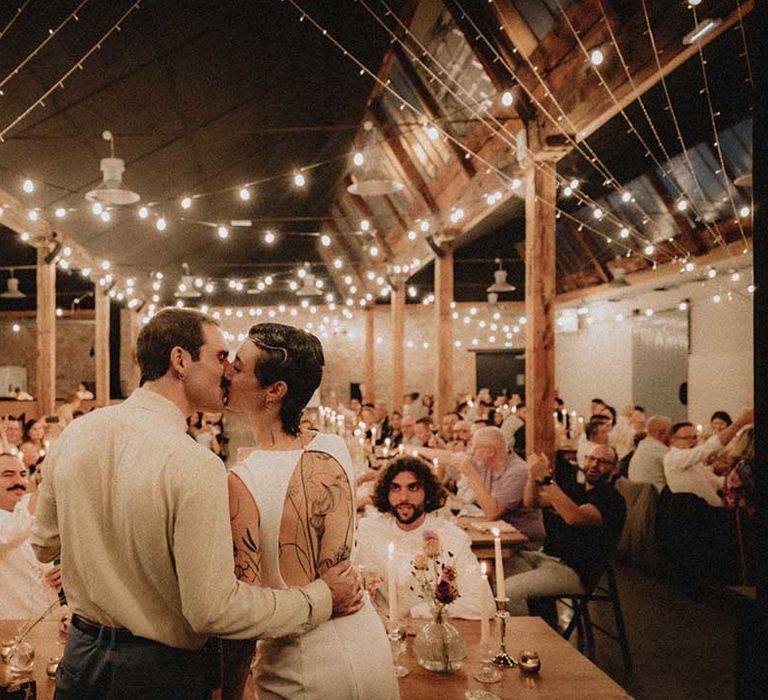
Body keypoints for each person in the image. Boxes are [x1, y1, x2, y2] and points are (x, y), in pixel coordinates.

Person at [31, 308, 362, 699]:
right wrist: (319, 598)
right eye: (221, 357)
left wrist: (102, 547)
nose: (227, 372)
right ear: (180, 361)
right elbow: (213, 610)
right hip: (158, 674)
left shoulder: (76, 434)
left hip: (81, 660)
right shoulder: (195, 464)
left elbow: (44, 544)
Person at [223, 322, 395, 700]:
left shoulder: (241, 481)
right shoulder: (334, 447)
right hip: (368, 647)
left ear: (274, 391)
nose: (226, 372)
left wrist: (231, 691)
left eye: (237, 365)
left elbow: (245, 612)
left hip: (300, 666)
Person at [355, 457, 494, 621]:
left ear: (426, 492)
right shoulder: (369, 530)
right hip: (377, 628)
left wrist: (419, 612)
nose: (403, 497)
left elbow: (483, 604)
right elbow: (356, 584)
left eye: (413, 488)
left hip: (428, 628)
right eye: (395, 488)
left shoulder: (452, 538)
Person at [504, 444, 626, 618]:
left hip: (574, 570)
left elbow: (573, 517)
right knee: (500, 563)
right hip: (547, 558)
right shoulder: (576, 489)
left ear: (614, 469)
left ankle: (524, 641)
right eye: (591, 459)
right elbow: (532, 502)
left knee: (509, 591)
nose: (594, 465)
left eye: (603, 462)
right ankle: (544, 627)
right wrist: (533, 478)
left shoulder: (612, 499)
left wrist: (546, 479)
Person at [451, 426, 545, 548]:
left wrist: (472, 475)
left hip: (521, 542)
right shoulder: (488, 463)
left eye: (474, 448)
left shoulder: (517, 472)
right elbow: (451, 457)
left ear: (490, 452)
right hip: (497, 535)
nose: (471, 453)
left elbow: (493, 513)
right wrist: (419, 451)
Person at [663, 409, 753, 507]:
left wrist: (738, 477)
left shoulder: (692, 460)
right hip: (696, 513)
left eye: (694, 437)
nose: (693, 441)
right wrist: (740, 422)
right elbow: (708, 448)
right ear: (673, 440)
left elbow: (716, 482)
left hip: (712, 509)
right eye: (687, 438)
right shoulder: (673, 458)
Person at [628, 415, 672, 491]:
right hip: (655, 498)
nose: (672, 436)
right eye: (671, 432)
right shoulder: (660, 451)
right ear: (662, 433)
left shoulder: (643, 447)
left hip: (640, 497)